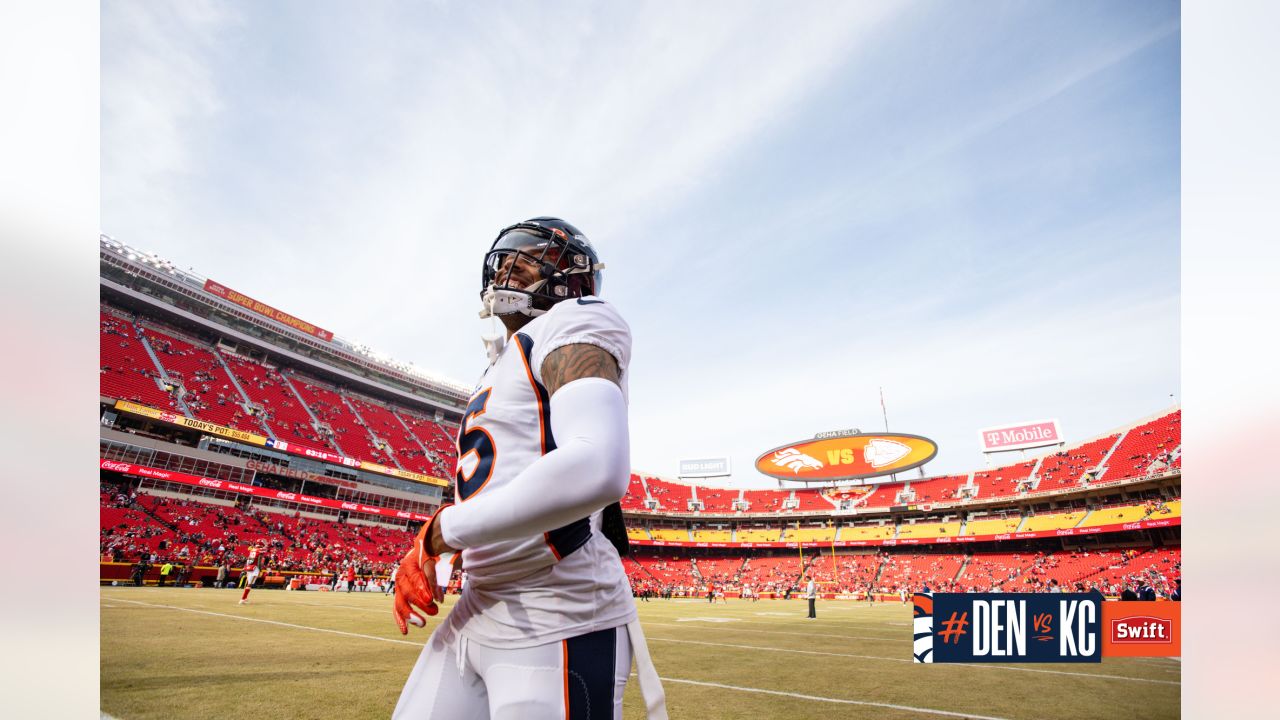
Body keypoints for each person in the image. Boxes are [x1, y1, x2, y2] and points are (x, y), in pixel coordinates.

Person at [391, 218, 666, 719]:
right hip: (479, 604)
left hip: (558, 606)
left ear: (577, 279)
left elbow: (596, 465)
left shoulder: (576, 321)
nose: (509, 269)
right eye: (506, 263)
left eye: (529, 259)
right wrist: (443, 559)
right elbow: (498, 479)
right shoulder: (498, 366)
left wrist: (440, 535)